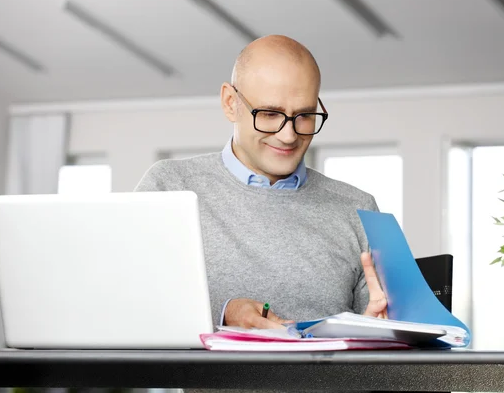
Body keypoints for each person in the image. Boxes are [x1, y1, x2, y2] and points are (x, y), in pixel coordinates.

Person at [134, 34, 388, 329]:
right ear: (231, 103)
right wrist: (222, 313)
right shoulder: (169, 187)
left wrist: (381, 334)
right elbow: (124, 304)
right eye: (269, 114)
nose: (289, 135)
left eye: (304, 116)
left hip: (326, 378)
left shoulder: (359, 209)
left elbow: (383, 340)